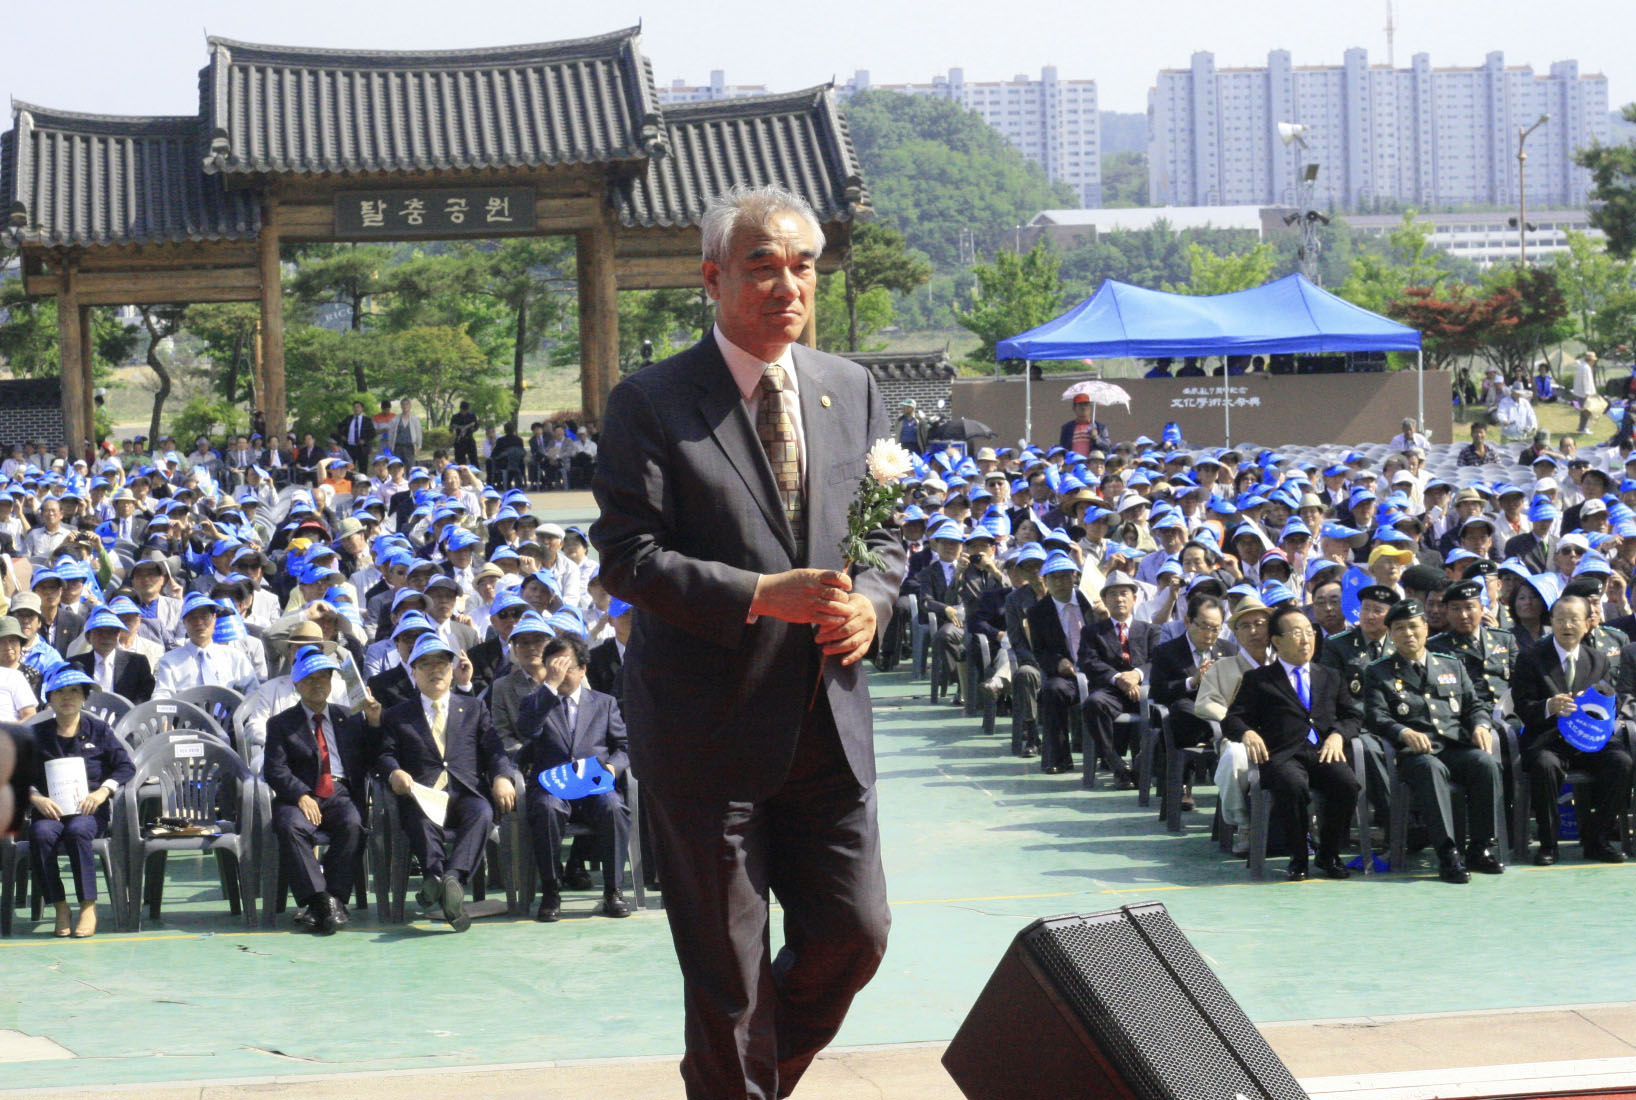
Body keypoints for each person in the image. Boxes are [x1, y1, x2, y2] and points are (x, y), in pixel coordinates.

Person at [590, 184, 904, 1099]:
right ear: (714, 277)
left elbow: (884, 541)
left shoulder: (851, 388)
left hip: (827, 727)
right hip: (707, 733)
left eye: (802, 265)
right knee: (727, 980)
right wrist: (762, 595)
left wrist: (874, 606)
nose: (786, 284)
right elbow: (628, 558)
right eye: (763, 265)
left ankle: (744, 1082)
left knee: (856, 936)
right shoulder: (651, 403)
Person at [375, 634, 518, 932]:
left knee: (482, 813)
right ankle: (438, 877)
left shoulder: (474, 708)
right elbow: (384, 755)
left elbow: (494, 750)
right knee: (419, 816)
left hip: (466, 791)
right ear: (413, 672)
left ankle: (450, 877)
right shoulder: (397, 715)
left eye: (441, 663)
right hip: (423, 793)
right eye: (425, 664)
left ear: (453, 670)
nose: (435, 670)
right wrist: (394, 773)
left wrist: (503, 777)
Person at [1364, 599, 1505, 883]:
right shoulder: (1378, 672)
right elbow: (1375, 716)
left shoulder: (1451, 664)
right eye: (1400, 628)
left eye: (1414, 626)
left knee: (1485, 763)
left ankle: (1480, 848)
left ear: (1426, 628)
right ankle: (1448, 854)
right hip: (1415, 754)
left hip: (1454, 747)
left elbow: (1474, 705)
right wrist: (1403, 732)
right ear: (1391, 634)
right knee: (1431, 769)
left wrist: (1481, 725)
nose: (1408, 634)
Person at [1224, 604, 1362, 881]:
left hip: (1323, 752)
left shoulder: (1330, 676)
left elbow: (1352, 716)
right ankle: (1298, 856)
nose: (1306, 639)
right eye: (1297, 633)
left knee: (1347, 784)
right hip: (1284, 755)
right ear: (1276, 641)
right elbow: (1233, 719)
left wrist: (1338, 735)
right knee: (1292, 785)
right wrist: (1248, 733)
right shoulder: (1259, 679)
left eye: (1309, 632)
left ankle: (1329, 853)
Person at [516, 633, 632, 921]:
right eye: (553, 666)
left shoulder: (603, 703)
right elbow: (526, 731)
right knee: (546, 809)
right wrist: (550, 687)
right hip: (552, 783)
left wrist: (613, 768)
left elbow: (624, 746)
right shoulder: (536, 702)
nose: (560, 673)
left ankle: (613, 891)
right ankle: (551, 891)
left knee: (614, 807)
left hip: (593, 782)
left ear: (583, 669)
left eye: (566, 667)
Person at [1513, 593, 1633, 864]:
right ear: (1551, 622)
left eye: (1574, 620)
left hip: (1588, 738)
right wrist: (1549, 706)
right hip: (1548, 738)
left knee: (1622, 762)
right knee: (1545, 766)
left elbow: (1608, 705)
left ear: (1588, 623)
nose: (1567, 626)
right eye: (1560, 620)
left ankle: (1596, 838)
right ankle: (1548, 843)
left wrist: (1593, 703)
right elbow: (1522, 707)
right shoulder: (1531, 659)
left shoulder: (1599, 659)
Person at [263, 647, 374, 934]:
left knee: (353, 824)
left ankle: (328, 900)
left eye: (324, 677)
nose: (318, 684)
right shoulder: (280, 723)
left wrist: (374, 722)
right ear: (297, 684)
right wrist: (300, 794)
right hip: (298, 795)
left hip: (339, 790)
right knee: (290, 826)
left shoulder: (348, 717)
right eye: (310, 678)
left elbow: (372, 756)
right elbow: (275, 769)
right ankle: (322, 900)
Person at [25, 665, 133, 938]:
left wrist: (102, 793)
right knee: (39, 834)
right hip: (49, 810)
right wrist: (35, 797)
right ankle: (60, 906)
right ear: (49, 699)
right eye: (59, 692)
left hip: (89, 811)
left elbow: (124, 768)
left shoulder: (98, 729)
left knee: (77, 832)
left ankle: (88, 905)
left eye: (74, 691)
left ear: (84, 697)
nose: (67, 698)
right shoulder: (36, 734)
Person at [1148, 593, 1236, 809]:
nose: (1210, 634)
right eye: (1205, 627)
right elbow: (1158, 692)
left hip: (1220, 709)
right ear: (1187, 621)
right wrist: (1193, 681)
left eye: (1216, 628)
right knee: (1182, 708)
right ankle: (1185, 782)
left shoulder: (1229, 650)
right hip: (1185, 717)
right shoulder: (1166, 652)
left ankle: (1222, 741)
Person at [1078, 569, 1157, 789]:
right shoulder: (1092, 632)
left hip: (1145, 691)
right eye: (1112, 594)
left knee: (1164, 709)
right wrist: (1119, 678)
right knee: (1093, 704)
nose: (1119, 598)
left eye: (1124, 593)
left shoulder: (1150, 630)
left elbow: (1157, 660)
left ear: (1134, 598)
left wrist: (1137, 675)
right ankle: (1117, 765)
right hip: (1110, 691)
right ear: (1104, 600)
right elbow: (1089, 661)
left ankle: (1147, 764)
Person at [1023, 550, 1093, 776]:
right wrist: (1058, 662)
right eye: (1054, 578)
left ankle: (1108, 755)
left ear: (1074, 576)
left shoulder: (1090, 601)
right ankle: (1058, 756)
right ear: (1045, 582)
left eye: (1065, 576)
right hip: (1066, 675)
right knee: (1053, 691)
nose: (1060, 583)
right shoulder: (1038, 612)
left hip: (1097, 671)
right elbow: (1040, 651)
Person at [68, 607, 155, 704]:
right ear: (89, 636)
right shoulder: (74, 665)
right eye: (99, 632)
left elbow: (146, 693)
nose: (106, 637)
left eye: (111, 632)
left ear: (118, 635)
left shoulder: (136, 662)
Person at [337, 400, 376, 471]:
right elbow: (339, 427)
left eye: (358, 407)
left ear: (362, 409)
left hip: (362, 448)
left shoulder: (367, 420)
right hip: (350, 447)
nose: (356, 409)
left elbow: (372, 433)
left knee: (363, 468)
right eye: (354, 407)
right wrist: (342, 436)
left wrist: (364, 440)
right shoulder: (348, 418)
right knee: (349, 467)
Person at [390, 398, 423, 468]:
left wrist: (419, 446)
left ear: (410, 406)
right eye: (403, 404)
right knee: (397, 466)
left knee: (410, 467)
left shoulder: (415, 419)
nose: (405, 406)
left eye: (407, 404)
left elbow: (419, 433)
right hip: (398, 447)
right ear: (401, 406)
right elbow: (391, 433)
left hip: (410, 447)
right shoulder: (395, 419)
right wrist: (390, 446)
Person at [449, 401, 480, 467]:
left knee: (474, 460)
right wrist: (454, 427)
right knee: (460, 461)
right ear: (460, 409)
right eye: (463, 410)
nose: (465, 412)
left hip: (469, 440)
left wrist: (473, 429)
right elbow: (450, 429)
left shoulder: (472, 416)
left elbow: (476, 426)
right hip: (459, 441)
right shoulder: (455, 417)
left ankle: (475, 474)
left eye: (466, 410)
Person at [1574, 351, 1598, 433]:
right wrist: (1588, 394)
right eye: (1593, 360)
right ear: (1590, 360)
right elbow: (1586, 382)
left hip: (1580, 393)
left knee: (1584, 411)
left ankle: (1581, 427)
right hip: (1584, 394)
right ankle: (1583, 428)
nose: (1594, 362)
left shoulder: (1582, 366)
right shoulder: (1586, 368)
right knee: (1586, 412)